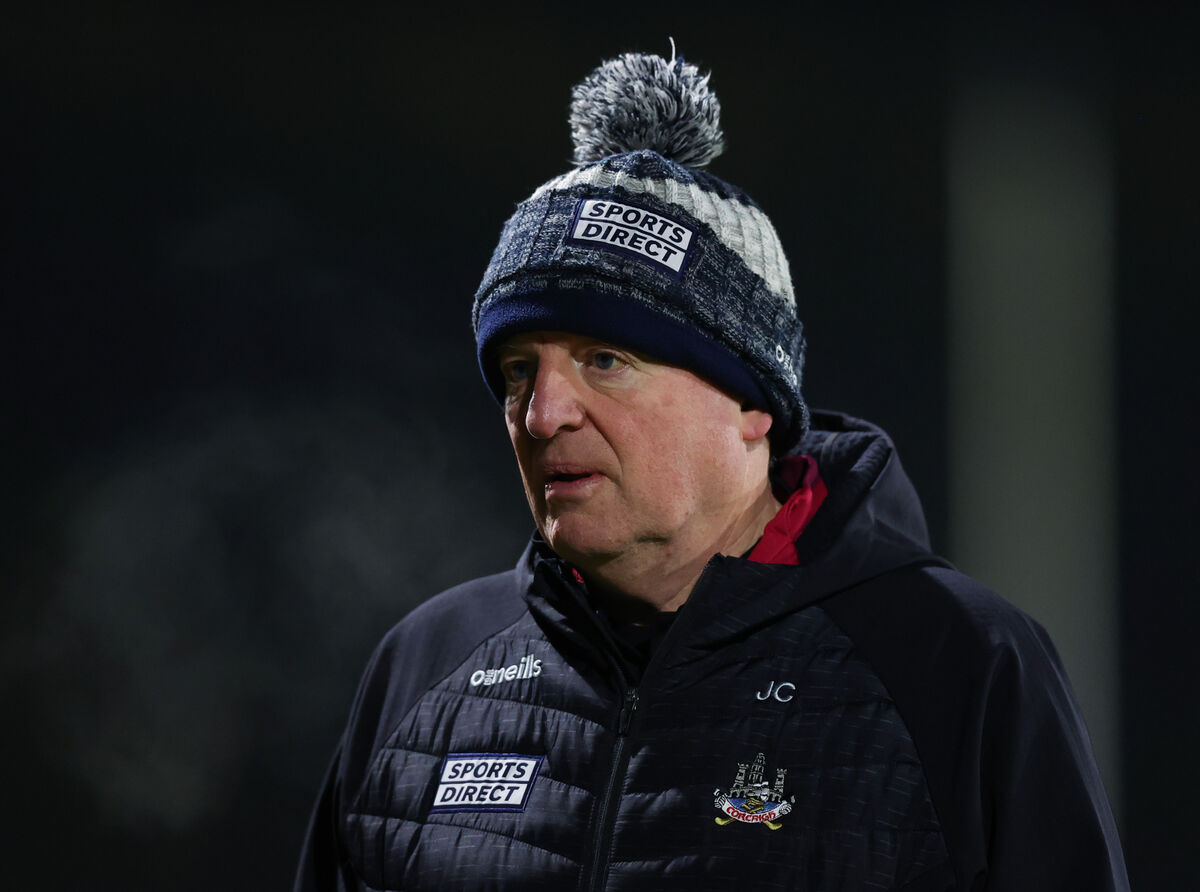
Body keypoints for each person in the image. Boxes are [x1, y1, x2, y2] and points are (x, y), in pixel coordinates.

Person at [295, 49, 1129, 891]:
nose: (544, 414)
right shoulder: (423, 668)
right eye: (519, 370)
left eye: (605, 359)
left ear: (752, 400)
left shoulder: (960, 665)